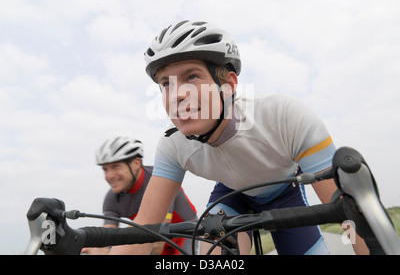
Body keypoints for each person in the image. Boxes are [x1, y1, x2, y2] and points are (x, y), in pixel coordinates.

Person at [109, 20, 369, 255]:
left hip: (284, 193)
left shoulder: (286, 117)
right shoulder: (171, 145)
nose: (177, 94)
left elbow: (348, 214)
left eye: (191, 76)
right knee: (214, 251)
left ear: (229, 85)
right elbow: (143, 230)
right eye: (166, 83)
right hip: (230, 196)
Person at [82, 136, 198, 255]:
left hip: (185, 233)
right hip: (152, 236)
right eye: (105, 169)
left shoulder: (158, 180)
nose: (109, 176)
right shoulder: (112, 198)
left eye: (115, 166)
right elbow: (107, 236)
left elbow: (158, 243)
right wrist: (98, 248)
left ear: (136, 163)